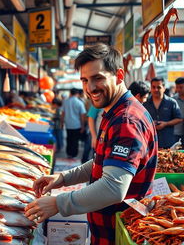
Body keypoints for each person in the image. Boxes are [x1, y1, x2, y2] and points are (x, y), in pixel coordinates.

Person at [24, 43, 158, 245]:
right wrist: (64, 178)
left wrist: (58, 203)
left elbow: (114, 188)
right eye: (85, 80)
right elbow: (103, 161)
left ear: (119, 75)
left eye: (98, 78)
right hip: (107, 227)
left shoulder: (126, 120)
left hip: (116, 232)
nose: (90, 88)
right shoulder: (114, 112)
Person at [143, 77, 182, 148]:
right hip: (149, 142)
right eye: (153, 87)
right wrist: (151, 124)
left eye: (159, 87)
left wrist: (165, 124)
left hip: (167, 141)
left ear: (164, 88)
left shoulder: (171, 102)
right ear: (150, 88)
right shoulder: (145, 103)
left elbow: (179, 118)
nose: (156, 90)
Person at [60, 88, 86, 159]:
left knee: (69, 139)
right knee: (75, 140)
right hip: (77, 125)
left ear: (70, 93)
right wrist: (83, 126)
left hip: (68, 125)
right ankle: (74, 155)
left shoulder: (65, 102)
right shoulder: (80, 103)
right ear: (77, 94)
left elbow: (62, 113)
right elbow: (82, 116)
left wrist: (61, 123)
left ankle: (69, 154)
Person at [174, 77, 184, 146]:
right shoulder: (173, 100)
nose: (178, 90)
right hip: (176, 133)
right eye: (177, 87)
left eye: (181, 87)